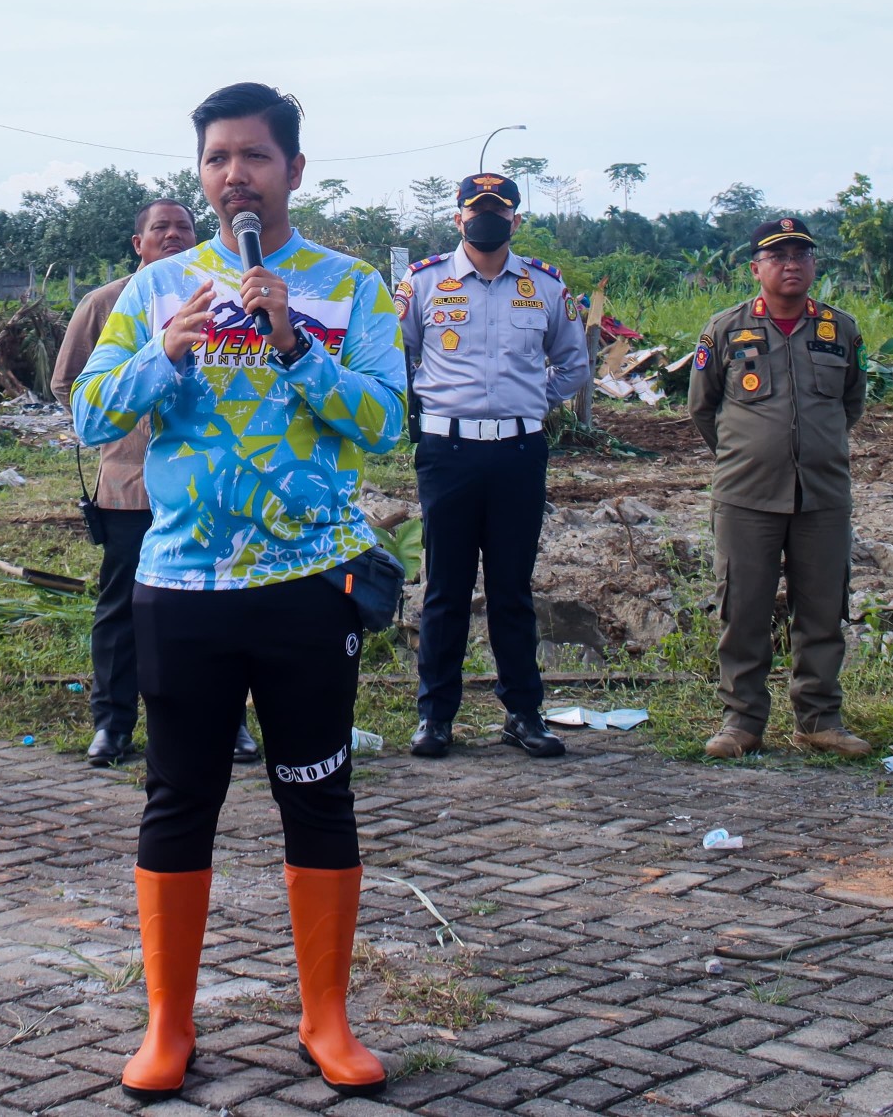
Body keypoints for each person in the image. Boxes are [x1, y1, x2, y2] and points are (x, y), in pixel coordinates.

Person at [73, 83, 404, 1101]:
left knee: (319, 799)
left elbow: (386, 421)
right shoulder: (157, 288)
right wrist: (164, 354)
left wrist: (296, 348)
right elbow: (90, 415)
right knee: (179, 801)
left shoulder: (351, 290)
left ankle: (327, 1021)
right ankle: (168, 1027)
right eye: (217, 158)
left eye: (253, 157)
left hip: (308, 584)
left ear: (292, 171)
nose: (233, 176)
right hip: (181, 586)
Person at [50, 200, 261, 769]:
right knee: (122, 607)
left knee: (213, 604)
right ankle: (112, 726)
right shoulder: (104, 304)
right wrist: (132, 397)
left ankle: (229, 723)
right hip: (128, 482)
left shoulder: (220, 293)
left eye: (184, 228)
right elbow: (71, 383)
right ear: (137, 242)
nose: (173, 236)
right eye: (159, 229)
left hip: (200, 485)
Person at [399, 173, 592, 759]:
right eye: (476, 210)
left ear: (515, 220)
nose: (487, 218)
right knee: (445, 591)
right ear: (459, 218)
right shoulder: (425, 282)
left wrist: (532, 397)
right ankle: (435, 718)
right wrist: (431, 400)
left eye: (498, 210)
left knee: (512, 588)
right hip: (447, 452)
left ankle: (524, 714)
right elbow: (398, 353)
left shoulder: (545, 287)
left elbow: (575, 364)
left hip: (517, 451)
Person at [687, 217, 873, 760]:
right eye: (778, 255)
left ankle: (819, 719)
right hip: (746, 496)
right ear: (756, 268)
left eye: (801, 254)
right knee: (742, 611)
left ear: (814, 265)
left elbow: (851, 405)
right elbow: (703, 410)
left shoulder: (840, 330)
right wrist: (748, 454)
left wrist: (814, 448)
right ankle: (742, 723)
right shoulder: (724, 330)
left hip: (822, 496)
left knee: (822, 610)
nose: (791, 264)